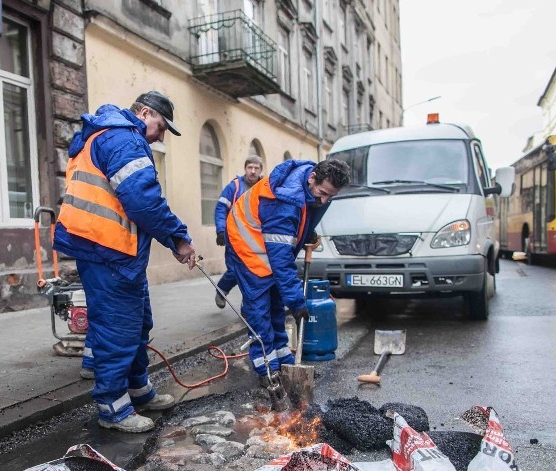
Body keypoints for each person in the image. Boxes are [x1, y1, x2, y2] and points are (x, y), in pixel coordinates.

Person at [54, 91, 196, 433]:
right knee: (117, 329)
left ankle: (138, 389)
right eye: (161, 127)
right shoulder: (123, 139)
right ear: (144, 112)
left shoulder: (110, 136)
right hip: (109, 252)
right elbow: (143, 200)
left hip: (114, 252)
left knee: (137, 324)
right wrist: (178, 238)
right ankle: (113, 407)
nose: (162, 137)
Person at [226, 159, 350, 381]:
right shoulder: (284, 200)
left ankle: (282, 359)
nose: (324, 201)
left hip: (267, 247)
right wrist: (296, 302)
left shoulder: (307, 187)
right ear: (312, 177)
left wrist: (304, 233)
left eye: (330, 197)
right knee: (259, 311)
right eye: (322, 193)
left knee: (275, 305)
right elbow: (281, 260)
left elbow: (298, 222)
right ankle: (266, 370)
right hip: (248, 250)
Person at [213, 155, 263, 308]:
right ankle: (222, 290)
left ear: (261, 170)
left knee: (253, 274)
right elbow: (221, 209)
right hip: (235, 238)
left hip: (256, 240)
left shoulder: (265, 187)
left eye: (256, 168)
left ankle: (248, 307)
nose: (253, 171)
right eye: (250, 167)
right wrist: (221, 231)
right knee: (235, 271)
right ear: (245, 169)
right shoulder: (234, 187)